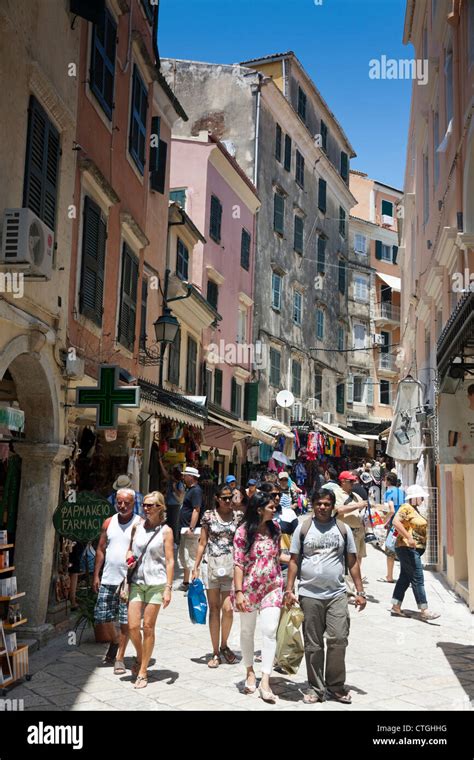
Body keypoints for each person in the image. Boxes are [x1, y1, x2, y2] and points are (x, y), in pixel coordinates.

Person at [285, 489, 366, 704]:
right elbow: (293, 560)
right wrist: (289, 589)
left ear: (332, 506)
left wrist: (360, 591)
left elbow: (352, 561)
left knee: (339, 638)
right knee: (313, 644)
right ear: (313, 504)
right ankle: (315, 688)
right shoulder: (303, 528)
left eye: (327, 504)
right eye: (319, 503)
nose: (322, 507)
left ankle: (336, 686)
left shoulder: (343, 529)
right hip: (309, 595)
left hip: (337, 594)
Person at [233, 491, 284, 703]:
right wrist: (238, 592)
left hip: (272, 586)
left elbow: (277, 555)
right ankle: (249, 671)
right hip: (248, 588)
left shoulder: (276, 529)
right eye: (271, 507)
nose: (275, 509)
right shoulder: (243, 532)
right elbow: (238, 563)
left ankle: (265, 680)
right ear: (259, 509)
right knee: (247, 630)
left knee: (270, 631)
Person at [192, 484, 243, 668]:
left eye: (231, 497)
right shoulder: (208, 516)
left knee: (228, 609)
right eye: (224, 498)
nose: (228, 501)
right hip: (211, 565)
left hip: (231, 566)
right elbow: (202, 542)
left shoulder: (238, 517)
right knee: (214, 609)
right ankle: (215, 651)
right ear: (217, 498)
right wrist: (195, 566)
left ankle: (224, 645)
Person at [127, 491, 174, 688]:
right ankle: (141, 654)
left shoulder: (166, 531)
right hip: (137, 580)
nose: (146, 508)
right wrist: (128, 556)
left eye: (151, 505)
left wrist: (168, 588)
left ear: (160, 508)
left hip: (157, 582)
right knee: (132, 626)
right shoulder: (136, 527)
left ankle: (144, 670)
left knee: (148, 627)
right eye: (145, 505)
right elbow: (130, 548)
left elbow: (170, 561)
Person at [92, 488, 141, 673]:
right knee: (102, 616)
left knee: (125, 620)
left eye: (126, 502)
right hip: (108, 577)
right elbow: (101, 549)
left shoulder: (139, 524)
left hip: (128, 581)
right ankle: (115, 641)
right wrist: (96, 574)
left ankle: (120, 657)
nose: (122, 505)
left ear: (133, 503)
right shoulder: (108, 522)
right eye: (119, 502)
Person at [390, 484, 440, 621]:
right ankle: (424, 610)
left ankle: (396, 606)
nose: (423, 499)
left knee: (405, 578)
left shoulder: (415, 509)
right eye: (421, 497)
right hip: (407, 548)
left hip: (413, 549)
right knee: (418, 577)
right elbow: (395, 521)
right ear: (414, 498)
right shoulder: (406, 507)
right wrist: (409, 537)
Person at [333, 471, 367, 573]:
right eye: (350, 481)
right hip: (347, 533)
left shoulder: (355, 495)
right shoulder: (336, 494)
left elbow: (363, 506)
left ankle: (355, 582)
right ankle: (349, 587)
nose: (353, 483)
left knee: (358, 558)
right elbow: (339, 510)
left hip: (359, 531)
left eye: (354, 481)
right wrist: (357, 506)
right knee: (349, 560)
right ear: (342, 481)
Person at [178, 466, 204, 592]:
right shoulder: (191, 490)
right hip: (185, 529)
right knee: (185, 556)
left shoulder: (196, 491)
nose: (183, 477)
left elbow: (196, 509)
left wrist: (191, 527)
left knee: (192, 557)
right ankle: (186, 582)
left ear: (191, 477)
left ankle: (194, 586)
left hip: (191, 530)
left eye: (185, 475)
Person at [378, 472, 405, 584]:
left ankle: (389, 576)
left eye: (385, 480)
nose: (384, 482)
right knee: (402, 550)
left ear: (388, 481)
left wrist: (384, 521)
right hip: (403, 524)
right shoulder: (402, 492)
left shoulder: (388, 492)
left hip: (394, 525)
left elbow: (391, 510)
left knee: (390, 551)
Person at [157, 457, 185, 546]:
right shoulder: (171, 479)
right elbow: (165, 473)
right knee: (169, 523)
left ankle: (175, 541)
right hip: (169, 505)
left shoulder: (179, 483)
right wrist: (160, 462)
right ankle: (170, 540)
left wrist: (174, 488)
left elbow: (180, 494)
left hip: (176, 506)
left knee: (174, 524)